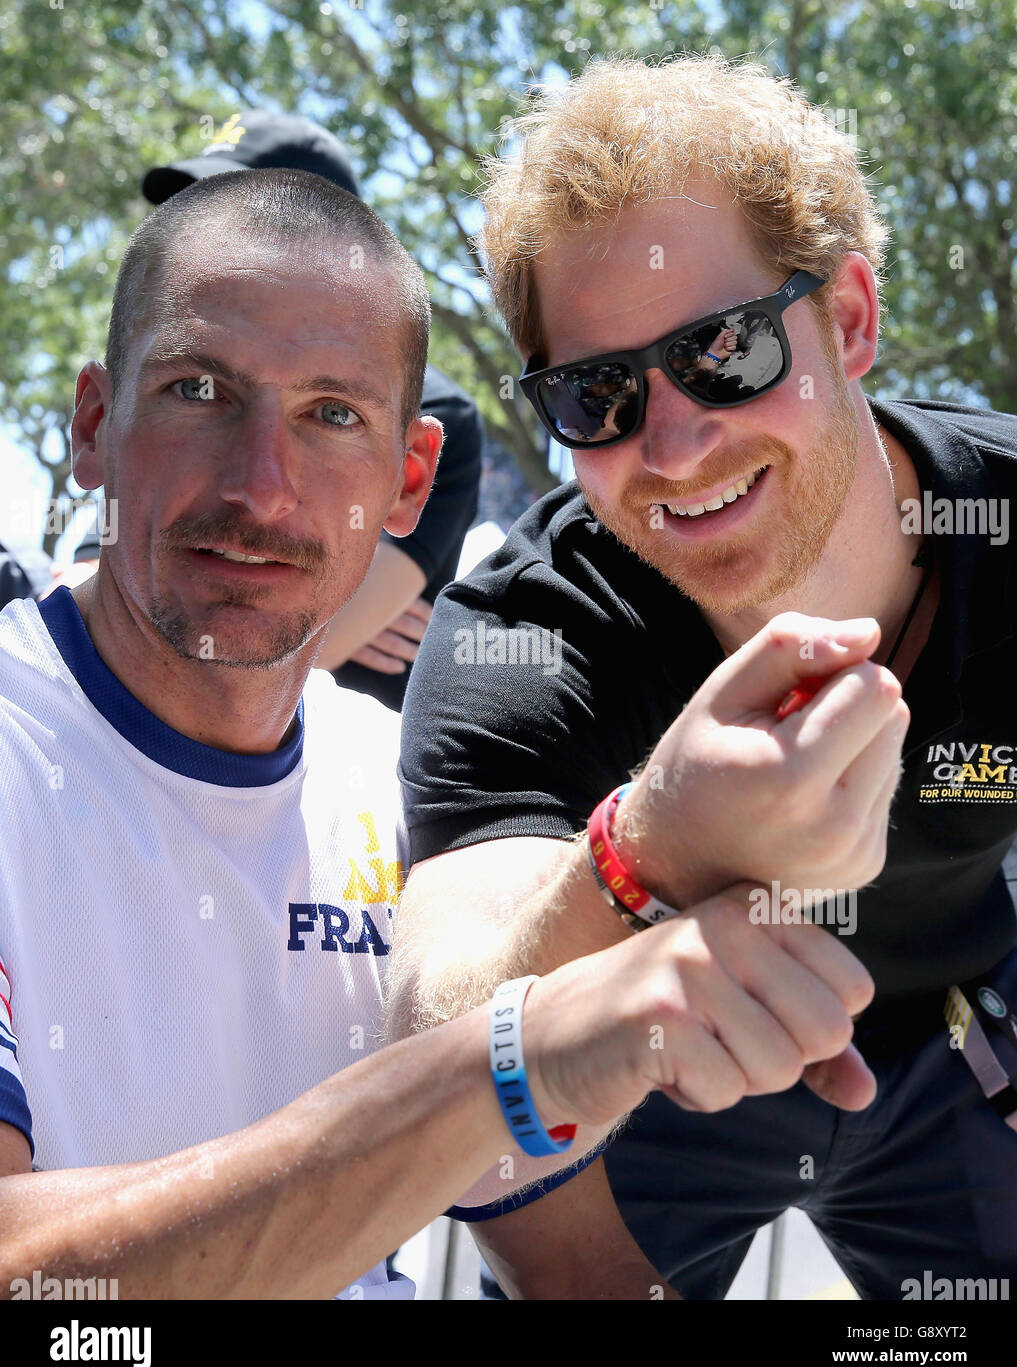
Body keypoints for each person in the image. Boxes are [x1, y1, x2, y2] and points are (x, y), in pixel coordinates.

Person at [0, 166, 891, 1300]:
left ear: (412, 478)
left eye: (332, 416)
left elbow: (573, 1268)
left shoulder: (402, 789)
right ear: (92, 426)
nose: (262, 487)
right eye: (198, 391)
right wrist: (505, 1061)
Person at [390, 53, 1017, 1299]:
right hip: (667, 1070)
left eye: (724, 351)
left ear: (848, 319)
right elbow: (434, 1029)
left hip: (959, 1041)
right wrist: (643, 851)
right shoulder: (530, 634)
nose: (672, 445)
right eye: (598, 393)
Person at [143, 110, 482, 712]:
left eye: (332, 416)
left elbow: (275, 649)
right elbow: (82, 592)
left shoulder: (440, 414)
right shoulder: (147, 395)